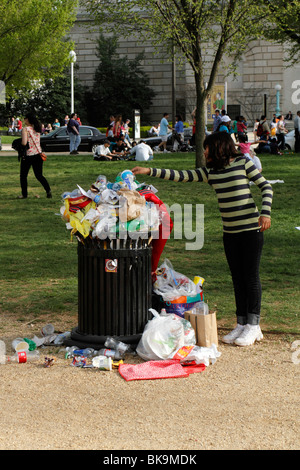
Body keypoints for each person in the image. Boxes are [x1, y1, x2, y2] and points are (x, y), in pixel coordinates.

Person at [132, 132, 273, 347]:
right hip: (230, 233)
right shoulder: (211, 172)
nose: (204, 152)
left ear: (219, 147)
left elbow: (266, 186)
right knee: (237, 278)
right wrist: (149, 170)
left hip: (251, 230)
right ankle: (242, 322)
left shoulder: (243, 163)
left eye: (207, 148)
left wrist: (265, 213)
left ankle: (253, 325)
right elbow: (180, 175)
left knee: (250, 277)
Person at [18, 112, 52, 199]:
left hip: (28, 155)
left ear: (28, 119)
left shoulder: (25, 129)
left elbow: (24, 142)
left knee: (23, 175)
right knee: (39, 175)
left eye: (25, 118)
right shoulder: (37, 128)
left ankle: (24, 194)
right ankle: (48, 190)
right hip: (38, 154)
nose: (24, 120)